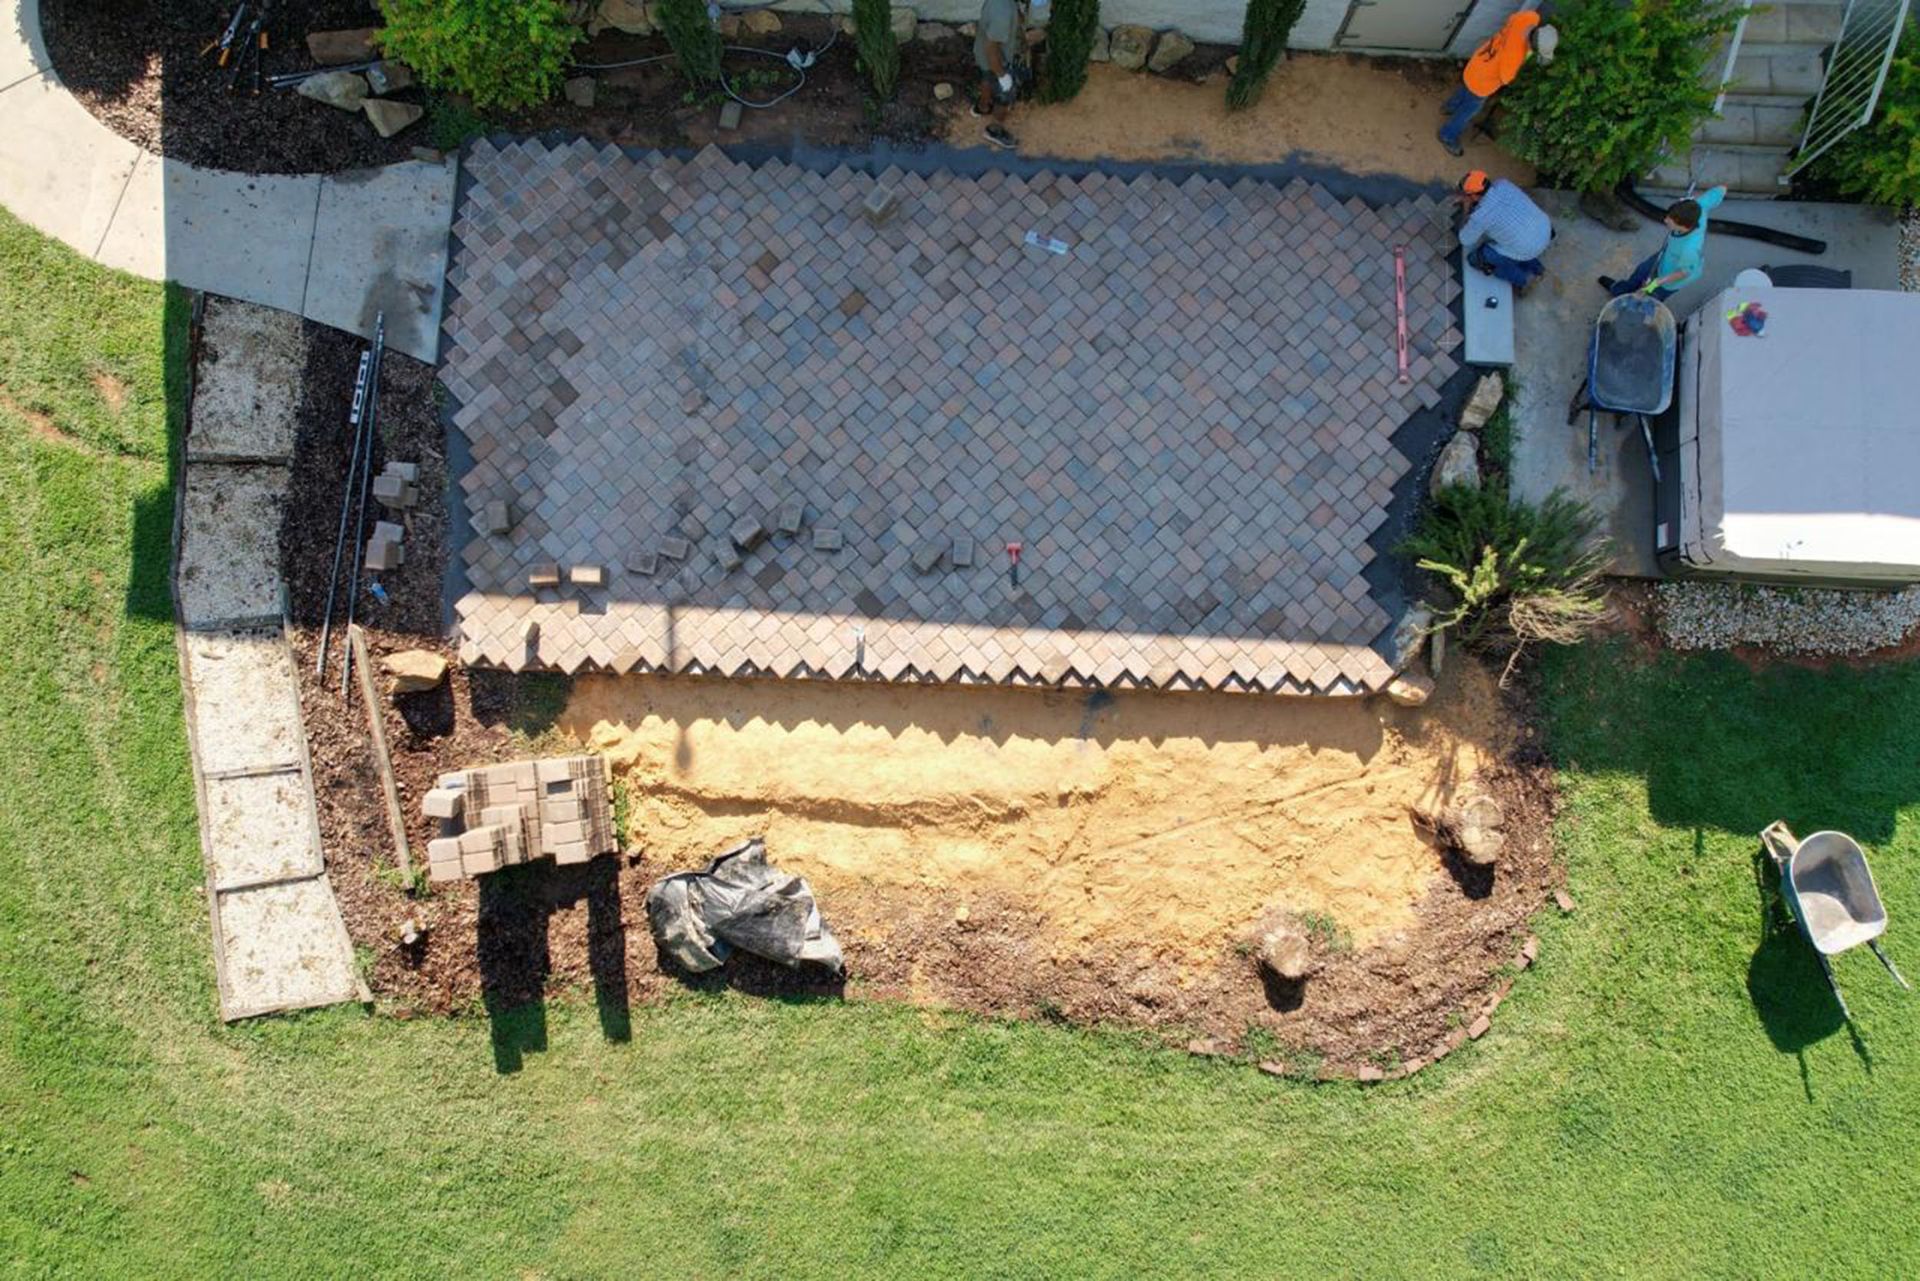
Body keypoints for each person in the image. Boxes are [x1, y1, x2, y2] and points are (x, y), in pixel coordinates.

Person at [1437, 11, 1558, 157]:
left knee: (1465, 88)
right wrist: (1527, 53)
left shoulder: (1529, 18)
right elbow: (1506, 79)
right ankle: (1447, 135)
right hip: (1483, 83)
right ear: (1533, 45)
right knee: (1468, 111)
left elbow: (1513, 19)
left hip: (1478, 63)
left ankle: (1449, 106)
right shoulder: (1514, 58)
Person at [1598, 186, 1727, 301]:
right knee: (1641, 271)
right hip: (1666, 256)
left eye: (1670, 220)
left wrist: (1658, 282)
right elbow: (1721, 189)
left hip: (1673, 276)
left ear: (1684, 226)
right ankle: (1619, 290)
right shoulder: (1697, 207)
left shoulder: (1690, 249)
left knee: (1651, 295)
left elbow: (1684, 272)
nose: (1665, 220)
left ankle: (1639, 307)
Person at [1456, 170, 1552, 296]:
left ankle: (1523, 280)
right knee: (1518, 243)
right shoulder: (1503, 184)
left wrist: (1466, 208)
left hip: (1526, 247)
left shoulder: (1481, 216)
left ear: (1473, 196)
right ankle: (1537, 268)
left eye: (1465, 195)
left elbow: (1465, 239)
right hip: (1544, 228)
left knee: (1475, 259)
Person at [972, 0, 1025, 151]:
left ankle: (982, 107)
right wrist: (1003, 76)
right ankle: (995, 130)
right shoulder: (1002, 14)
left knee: (987, 78)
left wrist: (1018, 14)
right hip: (996, 60)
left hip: (983, 55)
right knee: (1005, 95)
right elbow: (991, 48)